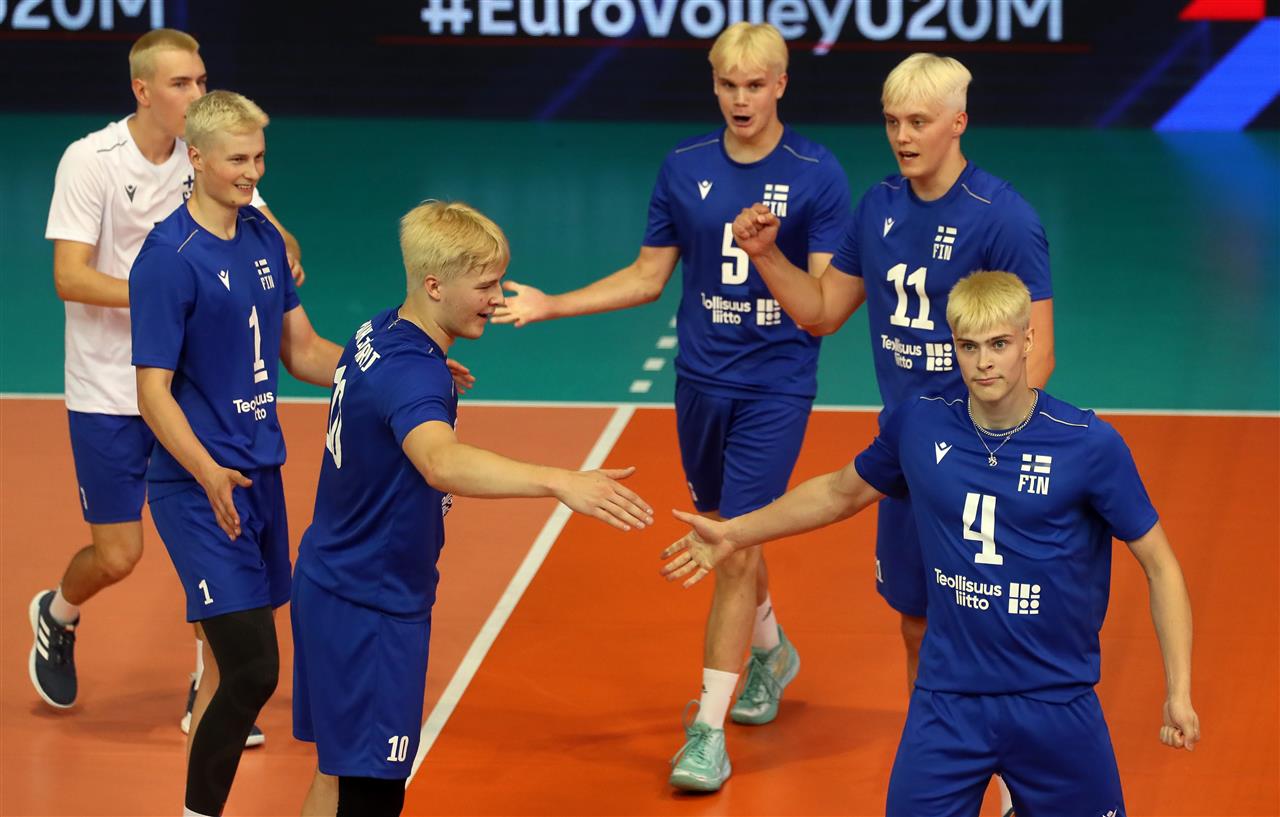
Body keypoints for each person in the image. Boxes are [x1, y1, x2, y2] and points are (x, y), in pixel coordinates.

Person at [661, 271, 1200, 817]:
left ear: (1028, 341)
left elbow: (1161, 565)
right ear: (954, 348)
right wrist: (733, 532)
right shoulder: (921, 423)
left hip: (1055, 701)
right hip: (948, 702)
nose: (984, 362)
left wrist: (1178, 691)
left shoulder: (1088, 445)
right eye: (969, 346)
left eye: (999, 344)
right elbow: (839, 493)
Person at [491, 22, 850, 792]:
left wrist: (766, 253)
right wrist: (553, 304)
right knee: (732, 529)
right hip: (698, 383)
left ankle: (707, 734)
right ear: (714, 84)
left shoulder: (817, 173)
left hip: (775, 384)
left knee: (731, 543)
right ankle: (773, 651)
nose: (741, 98)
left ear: (781, 84)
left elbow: (821, 307)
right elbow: (648, 276)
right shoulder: (685, 166)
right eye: (728, 84)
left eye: (755, 85)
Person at [731, 53, 1054, 813]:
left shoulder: (1002, 217)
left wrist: (980, 451)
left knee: (991, 629)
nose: (902, 137)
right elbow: (820, 311)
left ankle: (1013, 784)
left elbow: (1037, 357)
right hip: (909, 459)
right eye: (892, 122)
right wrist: (766, 255)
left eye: (918, 122)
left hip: (982, 461)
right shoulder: (877, 207)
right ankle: (946, 776)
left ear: (958, 122)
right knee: (917, 624)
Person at [291, 199, 653, 817]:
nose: (497, 298)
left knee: (337, 774)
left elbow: (374, 381)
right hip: (372, 604)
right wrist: (561, 481)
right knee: (373, 792)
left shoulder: (380, 331)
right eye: (485, 286)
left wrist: (421, 379)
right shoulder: (413, 374)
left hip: (332, 582)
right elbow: (441, 462)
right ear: (434, 285)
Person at [30, 29, 303, 746]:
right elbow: (69, 277)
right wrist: (173, 294)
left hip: (191, 392)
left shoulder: (207, 154)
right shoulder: (90, 161)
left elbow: (271, 235)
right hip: (107, 387)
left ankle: (207, 686)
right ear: (142, 91)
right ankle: (58, 611)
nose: (196, 94)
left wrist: (280, 252)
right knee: (119, 554)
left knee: (214, 538)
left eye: (202, 80)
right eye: (181, 83)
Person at [128, 90, 343, 817]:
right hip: (198, 488)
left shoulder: (261, 238)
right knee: (255, 669)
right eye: (238, 160)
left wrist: (391, 366)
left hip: (259, 475)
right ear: (195, 157)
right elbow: (152, 393)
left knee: (227, 673)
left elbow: (303, 351)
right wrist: (206, 471)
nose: (253, 173)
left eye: (259, 158)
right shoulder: (167, 259)